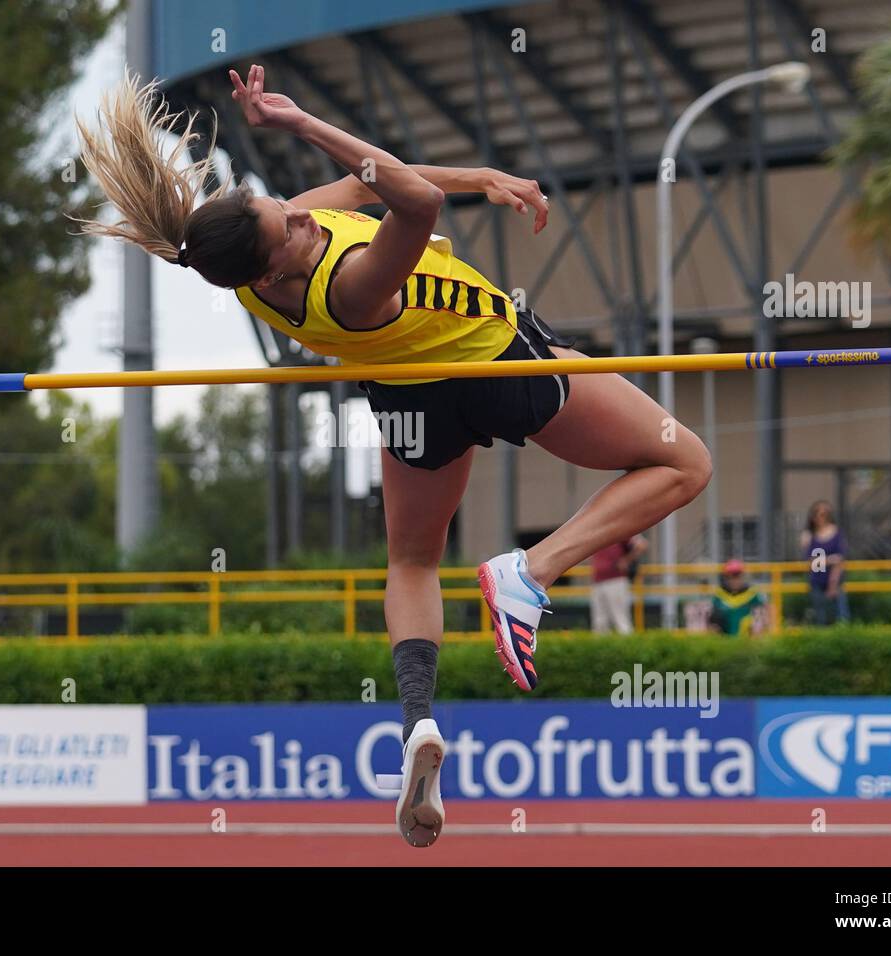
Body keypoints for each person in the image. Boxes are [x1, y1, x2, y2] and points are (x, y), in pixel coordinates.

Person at [75, 67, 711, 846]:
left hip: (409, 399)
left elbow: (360, 183)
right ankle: (531, 572)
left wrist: (484, 175)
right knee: (684, 462)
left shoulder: (246, 259)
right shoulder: (349, 287)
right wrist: (303, 122)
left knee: (411, 561)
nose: (303, 221)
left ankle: (417, 724)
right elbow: (414, 200)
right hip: (495, 364)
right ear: (275, 271)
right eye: (292, 231)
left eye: (286, 209)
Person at [800, 500, 849, 625]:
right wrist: (829, 559)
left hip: (835, 581)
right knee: (820, 620)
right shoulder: (809, 536)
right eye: (818, 514)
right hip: (817, 581)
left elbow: (840, 559)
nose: (821, 517)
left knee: (842, 618)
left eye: (825, 514)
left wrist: (833, 584)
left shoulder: (836, 533)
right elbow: (810, 562)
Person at [589, 534, 647, 634]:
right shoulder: (599, 530)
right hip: (599, 580)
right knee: (599, 623)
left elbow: (642, 545)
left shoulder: (618, 529)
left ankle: (628, 648)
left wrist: (626, 560)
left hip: (616, 580)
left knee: (621, 620)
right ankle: (601, 648)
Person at [709, 559, 765, 636]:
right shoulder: (720, 596)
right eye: (730, 576)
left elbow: (762, 618)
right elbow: (713, 622)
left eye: (737, 576)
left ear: (743, 577)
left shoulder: (752, 595)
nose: (734, 580)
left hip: (748, 641)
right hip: (725, 640)